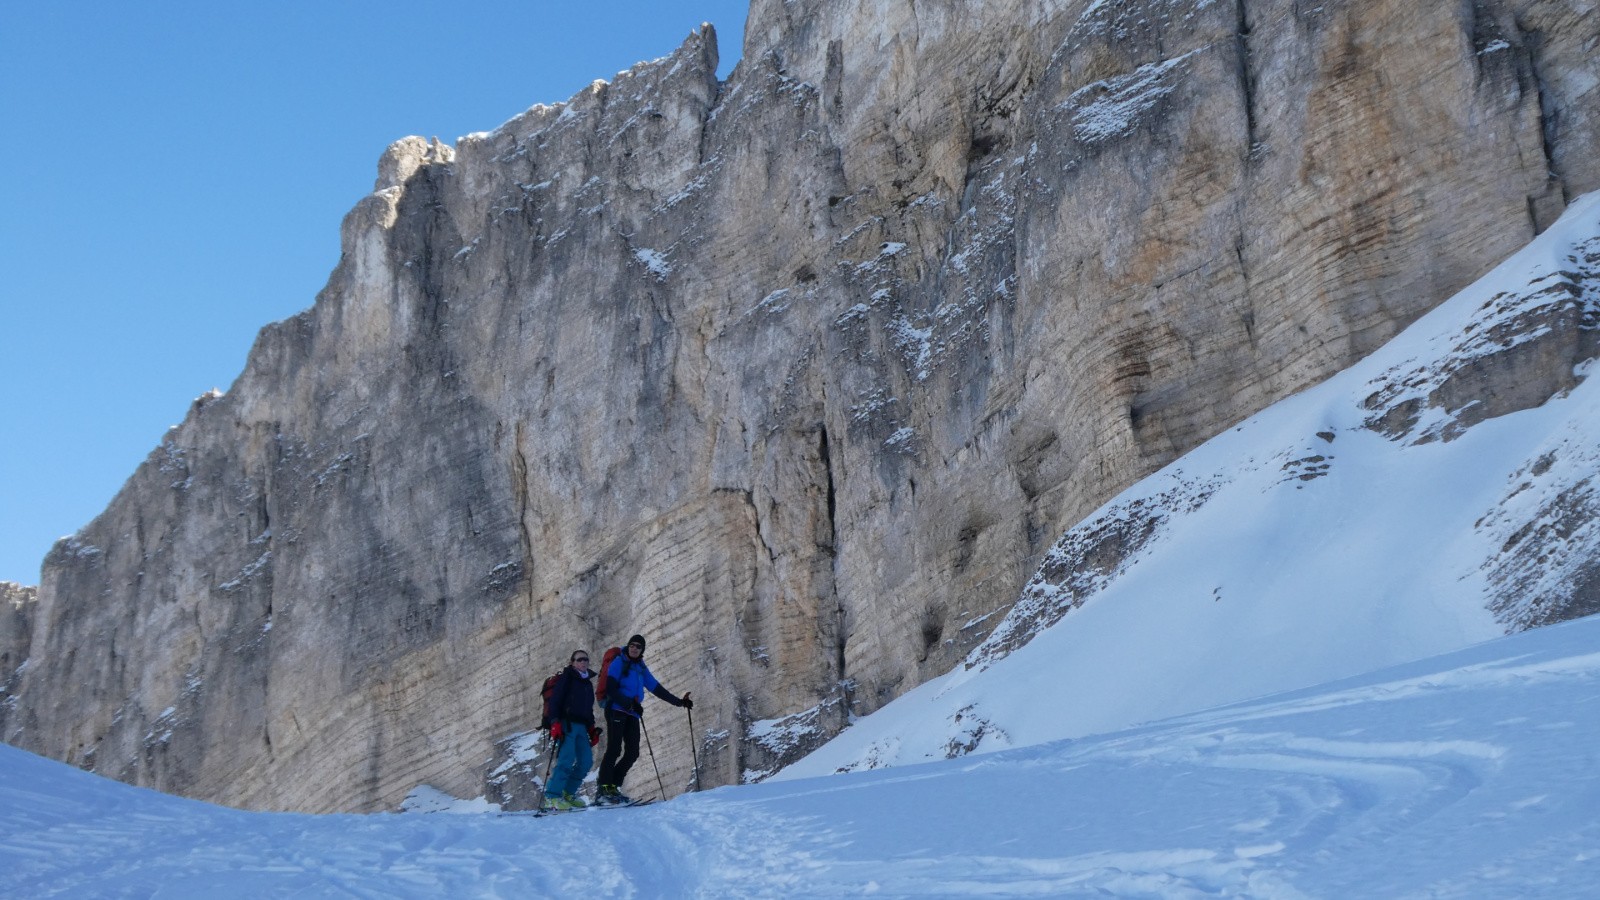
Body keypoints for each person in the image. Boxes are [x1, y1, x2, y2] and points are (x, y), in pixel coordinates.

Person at [595, 634, 692, 805]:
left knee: (633, 752)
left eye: (638, 646)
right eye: (632, 645)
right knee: (614, 749)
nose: (634, 648)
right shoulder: (619, 662)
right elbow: (610, 688)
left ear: (642, 650)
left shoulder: (640, 667)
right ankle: (603, 790)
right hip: (617, 710)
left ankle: (613, 787)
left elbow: (656, 688)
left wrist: (679, 702)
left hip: (632, 713)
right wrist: (628, 704)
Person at [540, 649, 601, 809]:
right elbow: (555, 701)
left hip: (582, 727)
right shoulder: (566, 678)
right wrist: (555, 722)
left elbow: (588, 710)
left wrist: (592, 729)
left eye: (585, 660)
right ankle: (552, 796)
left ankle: (568, 793)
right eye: (579, 660)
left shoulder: (587, 683)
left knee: (586, 762)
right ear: (572, 662)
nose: (583, 662)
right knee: (566, 761)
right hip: (566, 724)